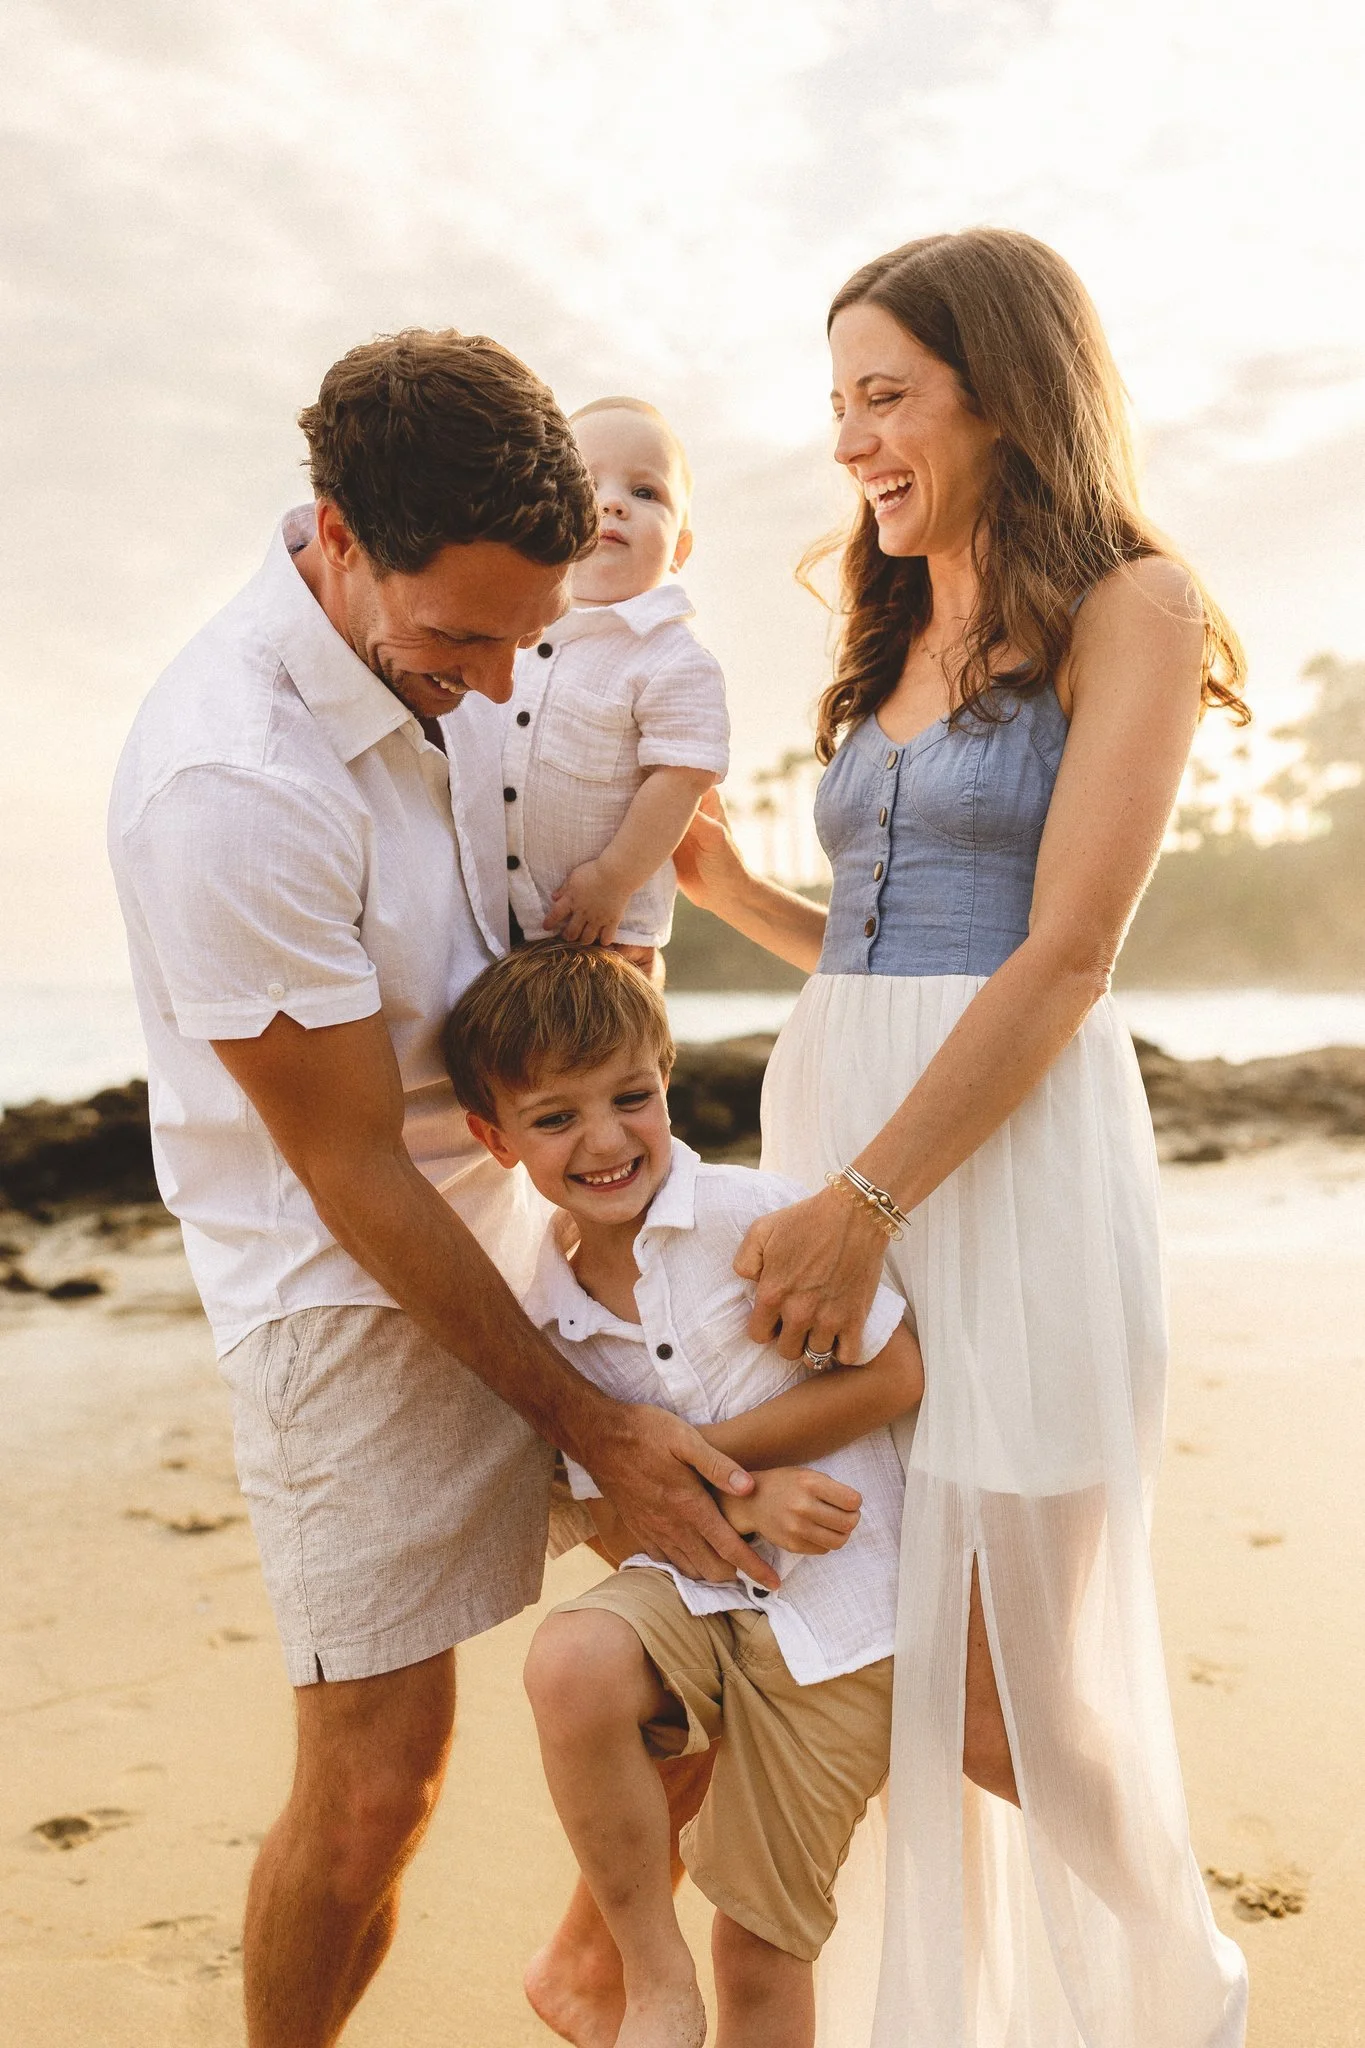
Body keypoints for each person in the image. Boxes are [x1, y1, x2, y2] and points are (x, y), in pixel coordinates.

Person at [107, 330, 770, 2048]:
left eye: (526, 637)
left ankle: (585, 1958)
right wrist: (596, 1422)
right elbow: (343, 1171)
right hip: (352, 1288)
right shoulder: (229, 786)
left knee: (745, 1607)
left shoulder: (468, 642)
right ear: (335, 532)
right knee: (375, 1790)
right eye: (461, 639)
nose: (494, 686)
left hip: (547, 1218)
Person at [674, 231, 1251, 2046]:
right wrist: (735, 894)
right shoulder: (893, 608)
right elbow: (885, 935)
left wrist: (864, 1201)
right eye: (839, 399)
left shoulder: (1134, 605)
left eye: (886, 395)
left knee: (1002, 1666)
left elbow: (1065, 948)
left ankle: (1186, 1980)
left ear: (1003, 391)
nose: (850, 439)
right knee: (871, 1627)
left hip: (998, 1164)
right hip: (840, 1118)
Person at [441, 941, 924, 2048]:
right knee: (569, 1658)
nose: (607, 1139)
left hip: (845, 1632)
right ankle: (644, 1979)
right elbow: (606, 1507)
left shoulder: (756, 1219)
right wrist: (735, 1504)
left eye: (630, 1096)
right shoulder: (543, 1313)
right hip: (697, 1607)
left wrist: (704, 1462)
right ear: (493, 1138)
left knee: (758, 1947)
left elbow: (894, 1372)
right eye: (555, 1118)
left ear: (667, 1074)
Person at [504, 397, 730, 981]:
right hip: (487, 920)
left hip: (605, 933)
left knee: (600, 1062)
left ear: (679, 549)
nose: (610, 503)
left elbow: (681, 779)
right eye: (586, 483)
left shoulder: (672, 658)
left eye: (645, 493)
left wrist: (613, 879)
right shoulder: (508, 628)